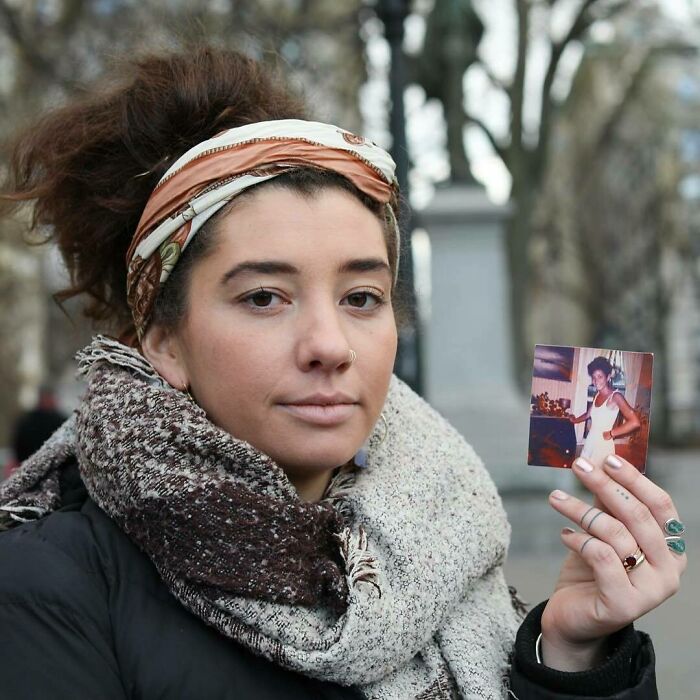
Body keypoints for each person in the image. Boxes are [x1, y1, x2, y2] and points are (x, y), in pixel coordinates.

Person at [0, 47, 685, 699]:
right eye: (264, 297)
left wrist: (569, 656)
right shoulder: (46, 585)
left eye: (361, 298)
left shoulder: (447, 542)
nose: (329, 345)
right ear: (163, 342)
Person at [569, 357, 641, 470]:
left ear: (607, 377)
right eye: (593, 377)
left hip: (603, 445)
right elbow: (588, 414)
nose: (596, 381)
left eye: (600, 377)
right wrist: (575, 420)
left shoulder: (616, 397)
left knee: (597, 476)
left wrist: (612, 433)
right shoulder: (597, 395)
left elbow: (635, 422)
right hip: (590, 441)